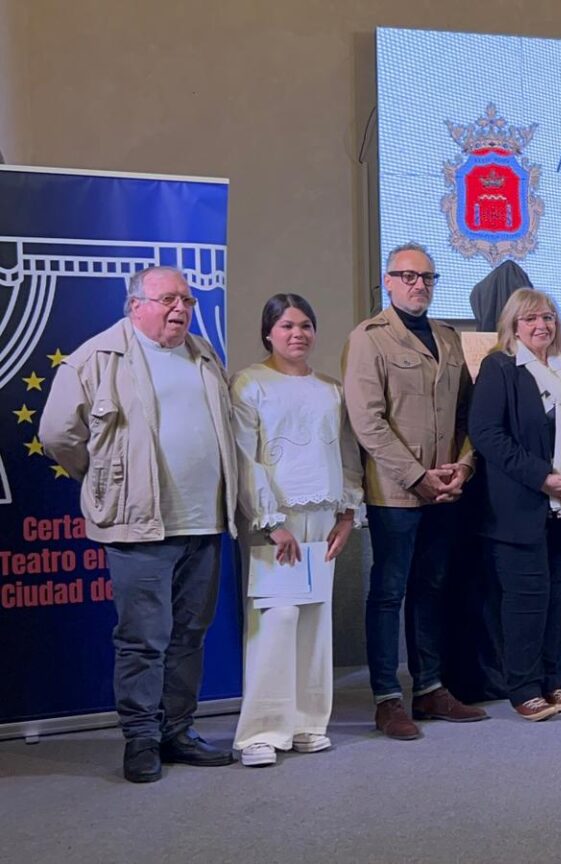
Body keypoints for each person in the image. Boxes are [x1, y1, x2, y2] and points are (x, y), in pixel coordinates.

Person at [40, 265, 240, 783]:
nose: (181, 309)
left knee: (190, 635)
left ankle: (178, 731)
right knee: (143, 640)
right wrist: (106, 480)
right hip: (138, 529)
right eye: (168, 299)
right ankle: (141, 739)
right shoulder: (96, 358)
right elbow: (58, 434)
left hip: (203, 522)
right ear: (136, 306)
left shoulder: (203, 354)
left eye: (188, 302)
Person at [343, 242, 486, 739]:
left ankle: (429, 688)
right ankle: (387, 698)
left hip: (445, 491)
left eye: (427, 277)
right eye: (407, 276)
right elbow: (367, 421)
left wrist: (463, 468)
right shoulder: (369, 338)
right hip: (396, 493)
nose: (418, 284)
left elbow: (469, 415)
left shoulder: (449, 339)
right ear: (388, 280)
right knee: (388, 593)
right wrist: (416, 476)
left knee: (432, 588)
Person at [229, 294, 363, 766]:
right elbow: (245, 458)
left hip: (324, 516)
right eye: (287, 326)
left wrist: (348, 514)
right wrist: (270, 522)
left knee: (314, 620)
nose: (297, 334)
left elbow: (347, 454)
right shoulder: (249, 384)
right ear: (268, 332)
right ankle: (260, 732)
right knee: (276, 619)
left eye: (306, 325)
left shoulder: (330, 389)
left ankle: (308, 722)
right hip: (277, 520)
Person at [468, 288, 561, 720]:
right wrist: (543, 478)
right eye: (530, 319)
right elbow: (487, 435)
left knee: (557, 600)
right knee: (525, 601)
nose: (541, 325)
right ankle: (523, 688)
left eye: (548, 317)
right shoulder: (500, 368)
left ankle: (551, 680)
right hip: (520, 511)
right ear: (513, 326)